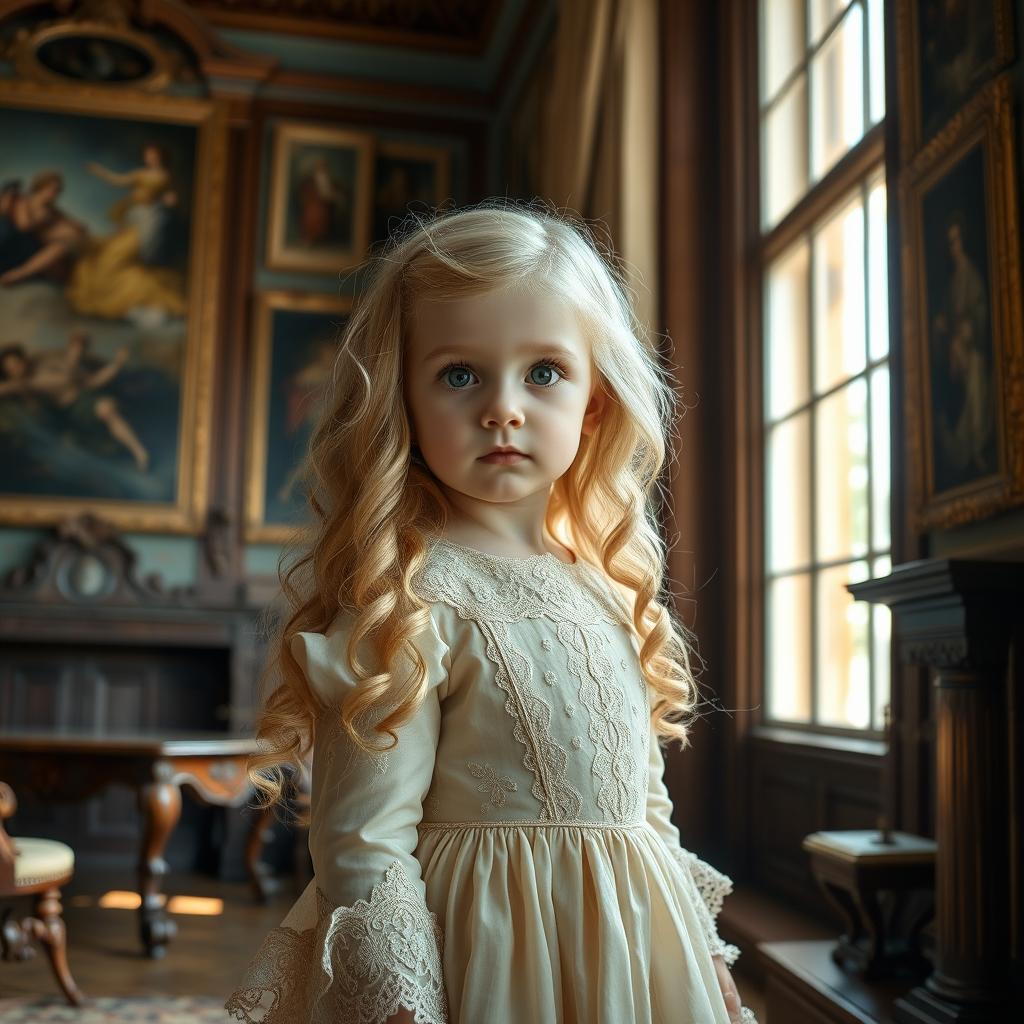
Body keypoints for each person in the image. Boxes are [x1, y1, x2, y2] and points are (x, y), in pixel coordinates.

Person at [224, 202, 757, 1024]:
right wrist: (401, 1003)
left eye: (544, 372)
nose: (502, 407)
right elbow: (364, 842)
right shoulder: (407, 600)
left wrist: (705, 955)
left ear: (595, 405)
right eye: (460, 374)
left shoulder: (603, 585)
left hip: (634, 970)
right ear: (403, 399)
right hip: (490, 967)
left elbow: (642, 809)